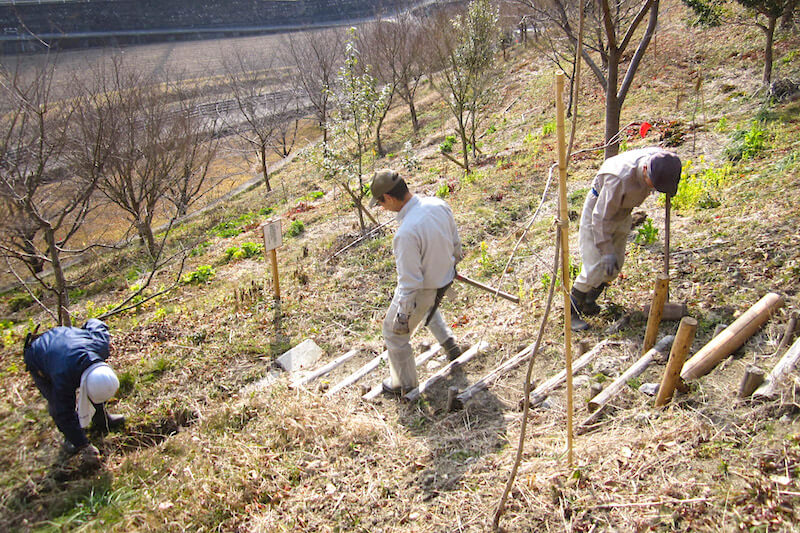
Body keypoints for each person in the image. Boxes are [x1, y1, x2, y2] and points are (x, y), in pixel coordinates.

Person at [369, 169, 463, 396]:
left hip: (425, 288)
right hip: (444, 279)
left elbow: (410, 284)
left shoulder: (406, 233)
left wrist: (401, 318)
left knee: (393, 333)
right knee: (428, 303)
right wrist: (452, 267)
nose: (382, 208)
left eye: (381, 203)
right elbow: (456, 244)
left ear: (389, 198)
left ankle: (404, 384)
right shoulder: (438, 204)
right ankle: (449, 344)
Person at [571, 147, 682, 331]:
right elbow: (600, 219)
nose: (652, 190)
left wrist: (669, 185)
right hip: (598, 212)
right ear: (645, 170)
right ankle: (571, 313)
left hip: (624, 211)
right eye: (652, 185)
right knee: (594, 267)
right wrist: (606, 251)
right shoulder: (619, 179)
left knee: (614, 267)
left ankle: (588, 302)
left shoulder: (662, 160)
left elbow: (669, 168)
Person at [23, 318, 125, 464]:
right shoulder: (63, 377)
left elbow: (94, 322)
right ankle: (72, 438)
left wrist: (79, 334)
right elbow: (62, 412)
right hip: (38, 354)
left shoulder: (100, 346)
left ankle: (101, 419)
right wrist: (84, 445)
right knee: (57, 402)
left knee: (96, 386)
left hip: (64, 340)